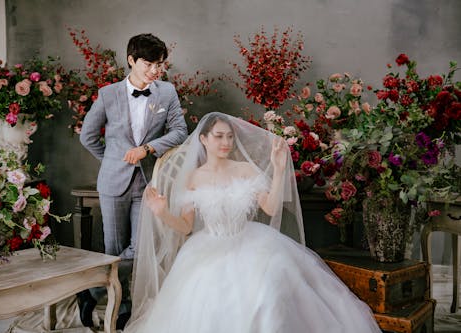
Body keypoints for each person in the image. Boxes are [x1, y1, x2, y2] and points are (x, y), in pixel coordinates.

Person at [122, 112, 381, 332]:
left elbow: (269, 207)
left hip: (250, 242)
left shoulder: (244, 170)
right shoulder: (193, 178)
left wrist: (278, 171)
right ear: (203, 139)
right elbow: (186, 227)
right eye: (219, 136)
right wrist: (162, 212)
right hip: (207, 248)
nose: (226, 142)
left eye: (230, 136)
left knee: (271, 284)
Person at [78, 33, 188, 329]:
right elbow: (87, 136)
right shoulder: (108, 94)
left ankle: (90, 291)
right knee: (113, 248)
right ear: (131, 60)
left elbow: (180, 131)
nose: (155, 70)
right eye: (149, 63)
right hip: (113, 181)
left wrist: (147, 149)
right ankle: (122, 307)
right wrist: (112, 160)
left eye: (160, 64)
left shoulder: (167, 92)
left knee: (140, 249)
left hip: (148, 181)